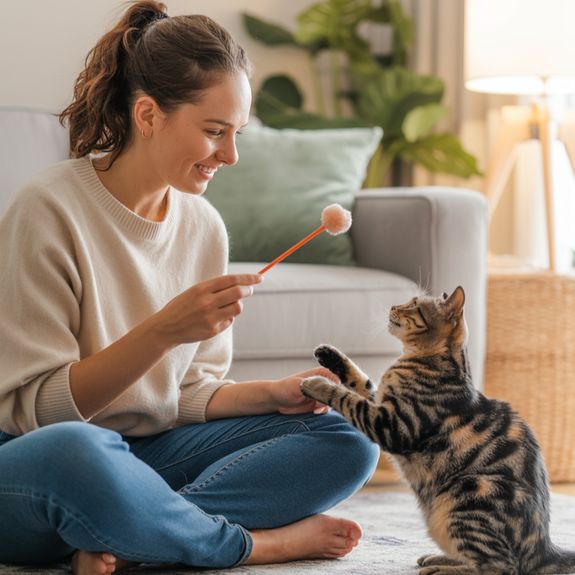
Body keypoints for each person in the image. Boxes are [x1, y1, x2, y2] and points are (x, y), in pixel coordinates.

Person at [0, 2, 380, 574]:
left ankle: (130, 537)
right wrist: (163, 331)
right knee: (81, 452)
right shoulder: (48, 208)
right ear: (149, 115)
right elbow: (39, 416)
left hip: (147, 458)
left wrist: (272, 393)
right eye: (214, 132)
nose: (230, 156)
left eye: (237, 134)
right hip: (45, 465)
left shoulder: (203, 227)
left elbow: (185, 395)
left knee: (350, 436)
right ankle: (247, 544)